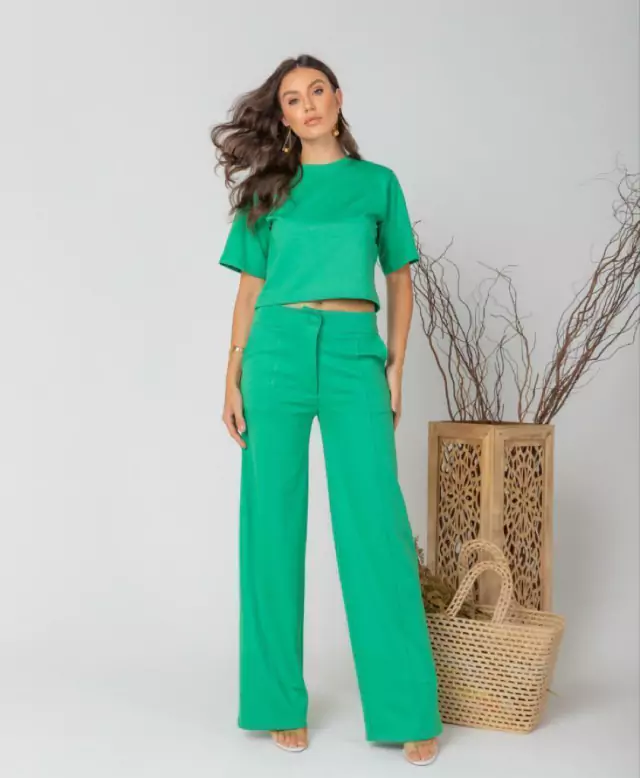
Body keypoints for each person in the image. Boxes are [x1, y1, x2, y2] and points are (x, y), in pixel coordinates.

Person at [211, 53, 443, 767]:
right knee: (271, 527)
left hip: (352, 354)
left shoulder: (378, 184)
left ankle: (407, 706)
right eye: (293, 98)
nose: (307, 104)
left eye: (317, 91)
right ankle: (276, 701)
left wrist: (395, 367)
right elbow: (249, 290)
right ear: (282, 115)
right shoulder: (267, 189)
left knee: (375, 525)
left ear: (339, 98)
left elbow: (399, 279)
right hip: (276, 354)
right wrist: (231, 374)